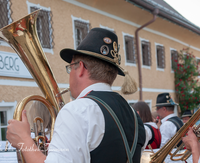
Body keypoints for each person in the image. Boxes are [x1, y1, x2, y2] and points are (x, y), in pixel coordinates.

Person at [6, 28, 146, 163]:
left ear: (81, 68)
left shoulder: (77, 110)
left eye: (70, 67)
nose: (70, 73)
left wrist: (24, 140)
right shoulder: (134, 115)